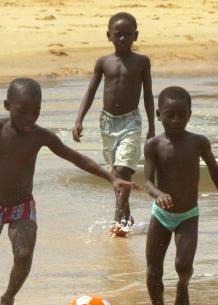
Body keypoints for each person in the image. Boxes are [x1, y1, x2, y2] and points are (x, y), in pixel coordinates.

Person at [0, 78, 140, 305]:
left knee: (24, 255)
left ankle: (8, 298)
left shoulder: (40, 136)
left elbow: (76, 158)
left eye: (36, 112)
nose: (29, 118)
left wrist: (112, 178)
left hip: (22, 206)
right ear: (7, 105)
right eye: (22, 111)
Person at [143, 86, 218, 305]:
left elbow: (215, 170)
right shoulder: (153, 145)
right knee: (153, 271)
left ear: (190, 115)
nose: (175, 121)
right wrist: (159, 194)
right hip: (161, 215)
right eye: (169, 115)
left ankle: (183, 285)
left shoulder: (198, 142)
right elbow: (148, 182)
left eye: (182, 115)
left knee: (183, 265)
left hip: (188, 216)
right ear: (158, 114)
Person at [72, 12, 155, 236]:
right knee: (116, 175)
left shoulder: (141, 62)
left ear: (135, 36)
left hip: (131, 121)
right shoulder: (103, 62)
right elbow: (90, 92)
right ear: (109, 36)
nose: (122, 39)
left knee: (122, 169)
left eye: (127, 35)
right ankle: (126, 217)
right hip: (107, 122)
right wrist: (79, 119)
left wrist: (152, 126)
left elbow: (147, 94)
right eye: (117, 35)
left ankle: (118, 218)